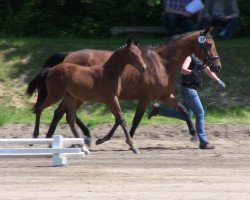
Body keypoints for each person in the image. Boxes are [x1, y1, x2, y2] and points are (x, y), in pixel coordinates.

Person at [148, 54, 226, 149]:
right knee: (200, 113)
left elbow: (208, 70)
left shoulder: (200, 59)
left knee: (187, 115)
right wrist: (192, 72)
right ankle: (203, 142)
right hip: (189, 90)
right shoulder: (190, 57)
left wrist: (217, 80)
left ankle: (159, 111)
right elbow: (183, 69)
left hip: (191, 90)